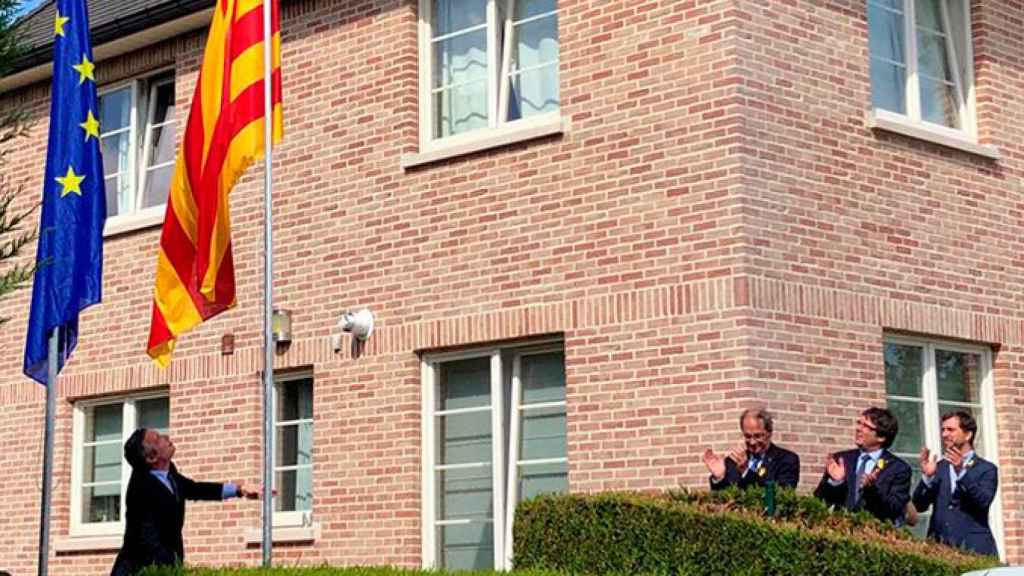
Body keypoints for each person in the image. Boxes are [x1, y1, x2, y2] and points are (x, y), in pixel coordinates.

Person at [110, 428, 262, 576]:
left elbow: (195, 489)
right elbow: (147, 536)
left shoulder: (169, 474)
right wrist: (169, 568)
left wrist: (240, 490)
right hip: (140, 569)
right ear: (151, 458)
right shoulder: (140, 487)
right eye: (158, 439)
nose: (166, 438)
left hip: (167, 564)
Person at [912, 411, 998, 556]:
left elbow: (983, 501)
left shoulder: (986, 469)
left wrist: (962, 472)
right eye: (943, 430)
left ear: (968, 435)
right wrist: (927, 478)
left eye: (950, 430)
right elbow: (918, 506)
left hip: (974, 549)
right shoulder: (939, 467)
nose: (945, 434)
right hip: (939, 549)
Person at [813, 406, 911, 524]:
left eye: (866, 426)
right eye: (859, 423)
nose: (858, 429)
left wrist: (872, 490)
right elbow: (819, 501)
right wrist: (836, 482)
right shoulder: (841, 459)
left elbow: (894, 510)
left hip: (874, 535)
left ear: (881, 437)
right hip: (841, 531)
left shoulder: (899, 469)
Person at [702, 408, 800, 490]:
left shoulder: (787, 460)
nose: (752, 442)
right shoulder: (733, 462)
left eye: (758, 436)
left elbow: (780, 495)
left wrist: (747, 472)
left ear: (769, 433)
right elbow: (721, 499)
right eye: (748, 436)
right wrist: (719, 477)